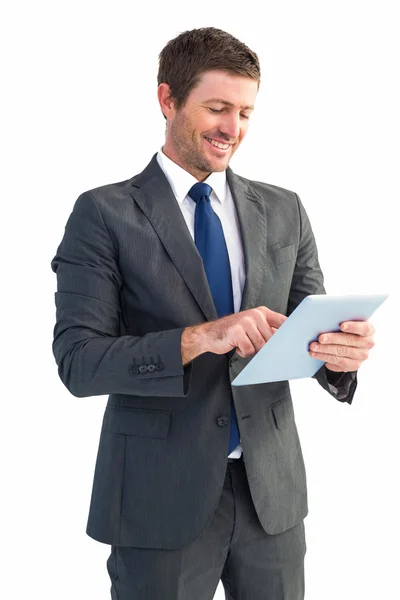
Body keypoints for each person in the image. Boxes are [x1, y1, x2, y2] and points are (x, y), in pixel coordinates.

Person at [51, 26, 376, 600]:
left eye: (246, 112)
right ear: (167, 100)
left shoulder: (284, 209)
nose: (234, 129)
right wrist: (199, 337)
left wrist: (339, 355)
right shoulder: (104, 213)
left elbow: (304, 331)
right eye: (218, 108)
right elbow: (79, 362)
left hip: (269, 498)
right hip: (158, 499)